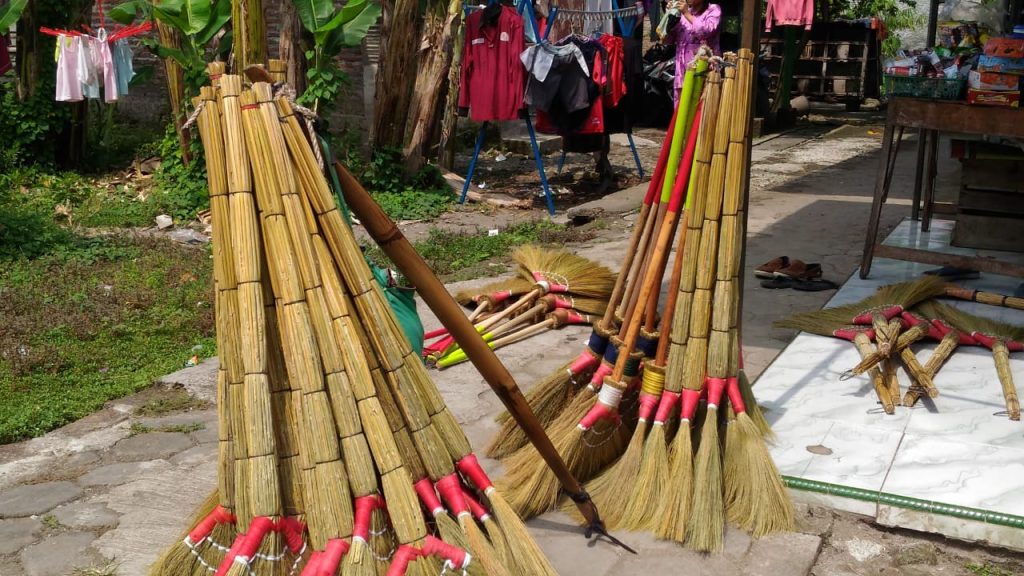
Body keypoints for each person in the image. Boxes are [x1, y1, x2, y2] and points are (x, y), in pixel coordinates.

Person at [666, 0, 721, 105]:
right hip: (682, 73)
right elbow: (667, 39)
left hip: (703, 70)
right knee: (681, 111)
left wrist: (686, 14)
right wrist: (669, 15)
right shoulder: (682, 13)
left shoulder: (713, 10)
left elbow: (706, 31)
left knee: (700, 109)